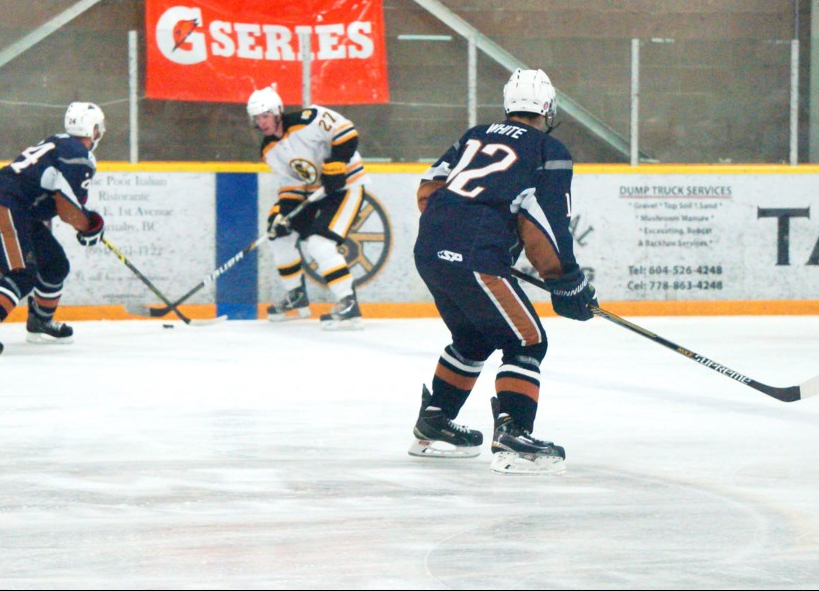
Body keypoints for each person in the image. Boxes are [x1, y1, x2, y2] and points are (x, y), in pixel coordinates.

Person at [408, 68, 598, 475]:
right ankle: (514, 436)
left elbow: (427, 191)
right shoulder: (549, 150)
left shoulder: (474, 135)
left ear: (509, 104)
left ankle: (435, 422)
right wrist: (567, 281)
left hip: (429, 249)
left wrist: (464, 232)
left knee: (473, 337)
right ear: (547, 108)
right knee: (528, 340)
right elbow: (544, 225)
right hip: (476, 258)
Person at [0, 102, 107, 357]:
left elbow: (63, 200)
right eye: (98, 128)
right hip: (5, 204)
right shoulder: (79, 156)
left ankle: (40, 323)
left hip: (17, 208)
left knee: (54, 264)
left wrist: (87, 223)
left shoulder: (59, 141)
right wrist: (89, 226)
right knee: (22, 273)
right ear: (94, 129)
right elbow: (67, 209)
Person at [246, 86, 367, 330]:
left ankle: (348, 304)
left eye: (266, 115)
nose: (262, 122)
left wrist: (337, 163)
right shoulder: (269, 149)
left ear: (278, 111)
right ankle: (297, 297)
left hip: (347, 187)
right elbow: (292, 185)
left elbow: (347, 132)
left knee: (319, 243)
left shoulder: (310, 119)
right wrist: (282, 214)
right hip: (314, 194)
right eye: (258, 118)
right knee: (278, 235)